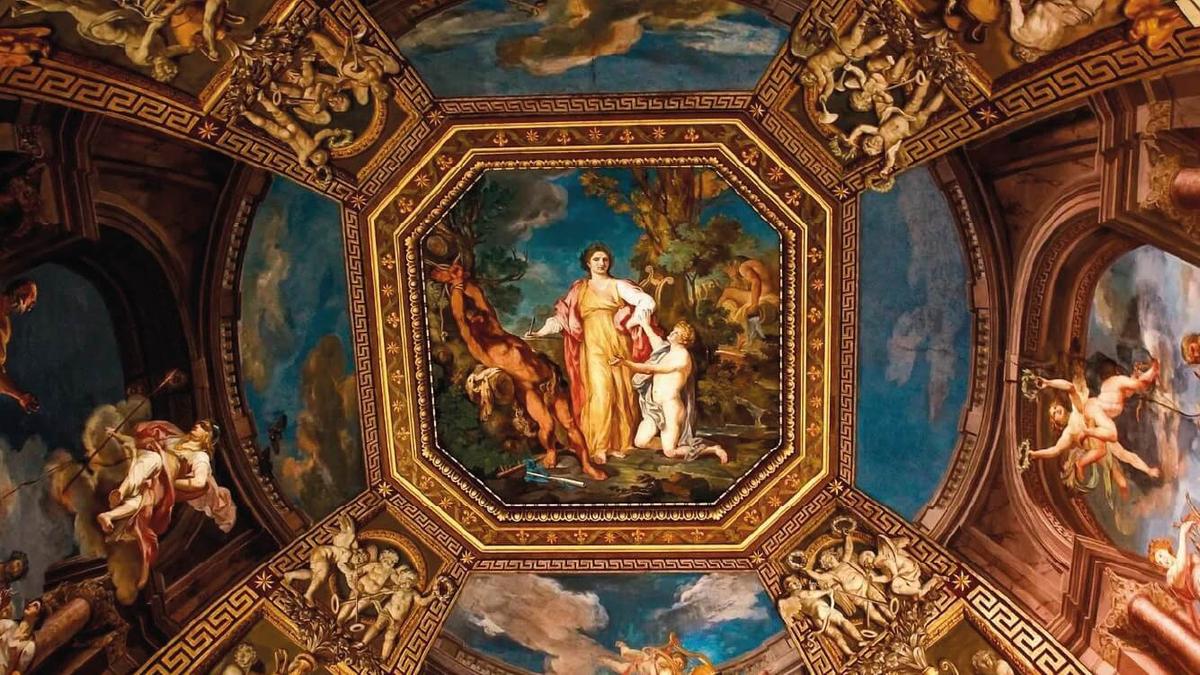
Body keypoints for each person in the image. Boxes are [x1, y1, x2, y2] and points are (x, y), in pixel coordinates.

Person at [526, 243, 658, 464]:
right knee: (600, 391)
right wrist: (540, 332)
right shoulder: (580, 289)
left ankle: (619, 444)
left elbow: (646, 302)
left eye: (605, 259)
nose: (601, 263)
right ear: (588, 263)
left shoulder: (618, 285)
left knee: (621, 392)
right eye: (596, 259)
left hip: (619, 343)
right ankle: (599, 445)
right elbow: (562, 318)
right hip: (593, 345)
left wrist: (633, 321)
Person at [611, 321, 727, 464]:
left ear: (684, 340)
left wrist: (625, 363)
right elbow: (654, 339)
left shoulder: (682, 357)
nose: (672, 333)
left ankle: (712, 449)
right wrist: (645, 324)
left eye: (676, 333)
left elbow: (650, 369)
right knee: (640, 442)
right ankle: (673, 444)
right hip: (654, 407)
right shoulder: (667, 351)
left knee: (670, 452)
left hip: (671, 407)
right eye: (673, 330)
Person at [1149, 516, 1200, 635]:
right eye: (1159, 561)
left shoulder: (1189, 557)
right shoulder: (1171, 576)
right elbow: (1181, 567)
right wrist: (1182, 535)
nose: (1163, 560)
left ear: (1166, 549)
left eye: (1161, 555)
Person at [0, 279, 38, 413]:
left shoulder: (5, 326)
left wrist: (20, 396)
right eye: (30, 298)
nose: (31, 306)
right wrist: (20, 396)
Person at [0, 599, 40, 675]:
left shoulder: (29, 645)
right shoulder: (9, 625)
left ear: (38, 617)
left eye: (35, 606)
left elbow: (17, 672)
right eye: (31, 603)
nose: (30, 605)